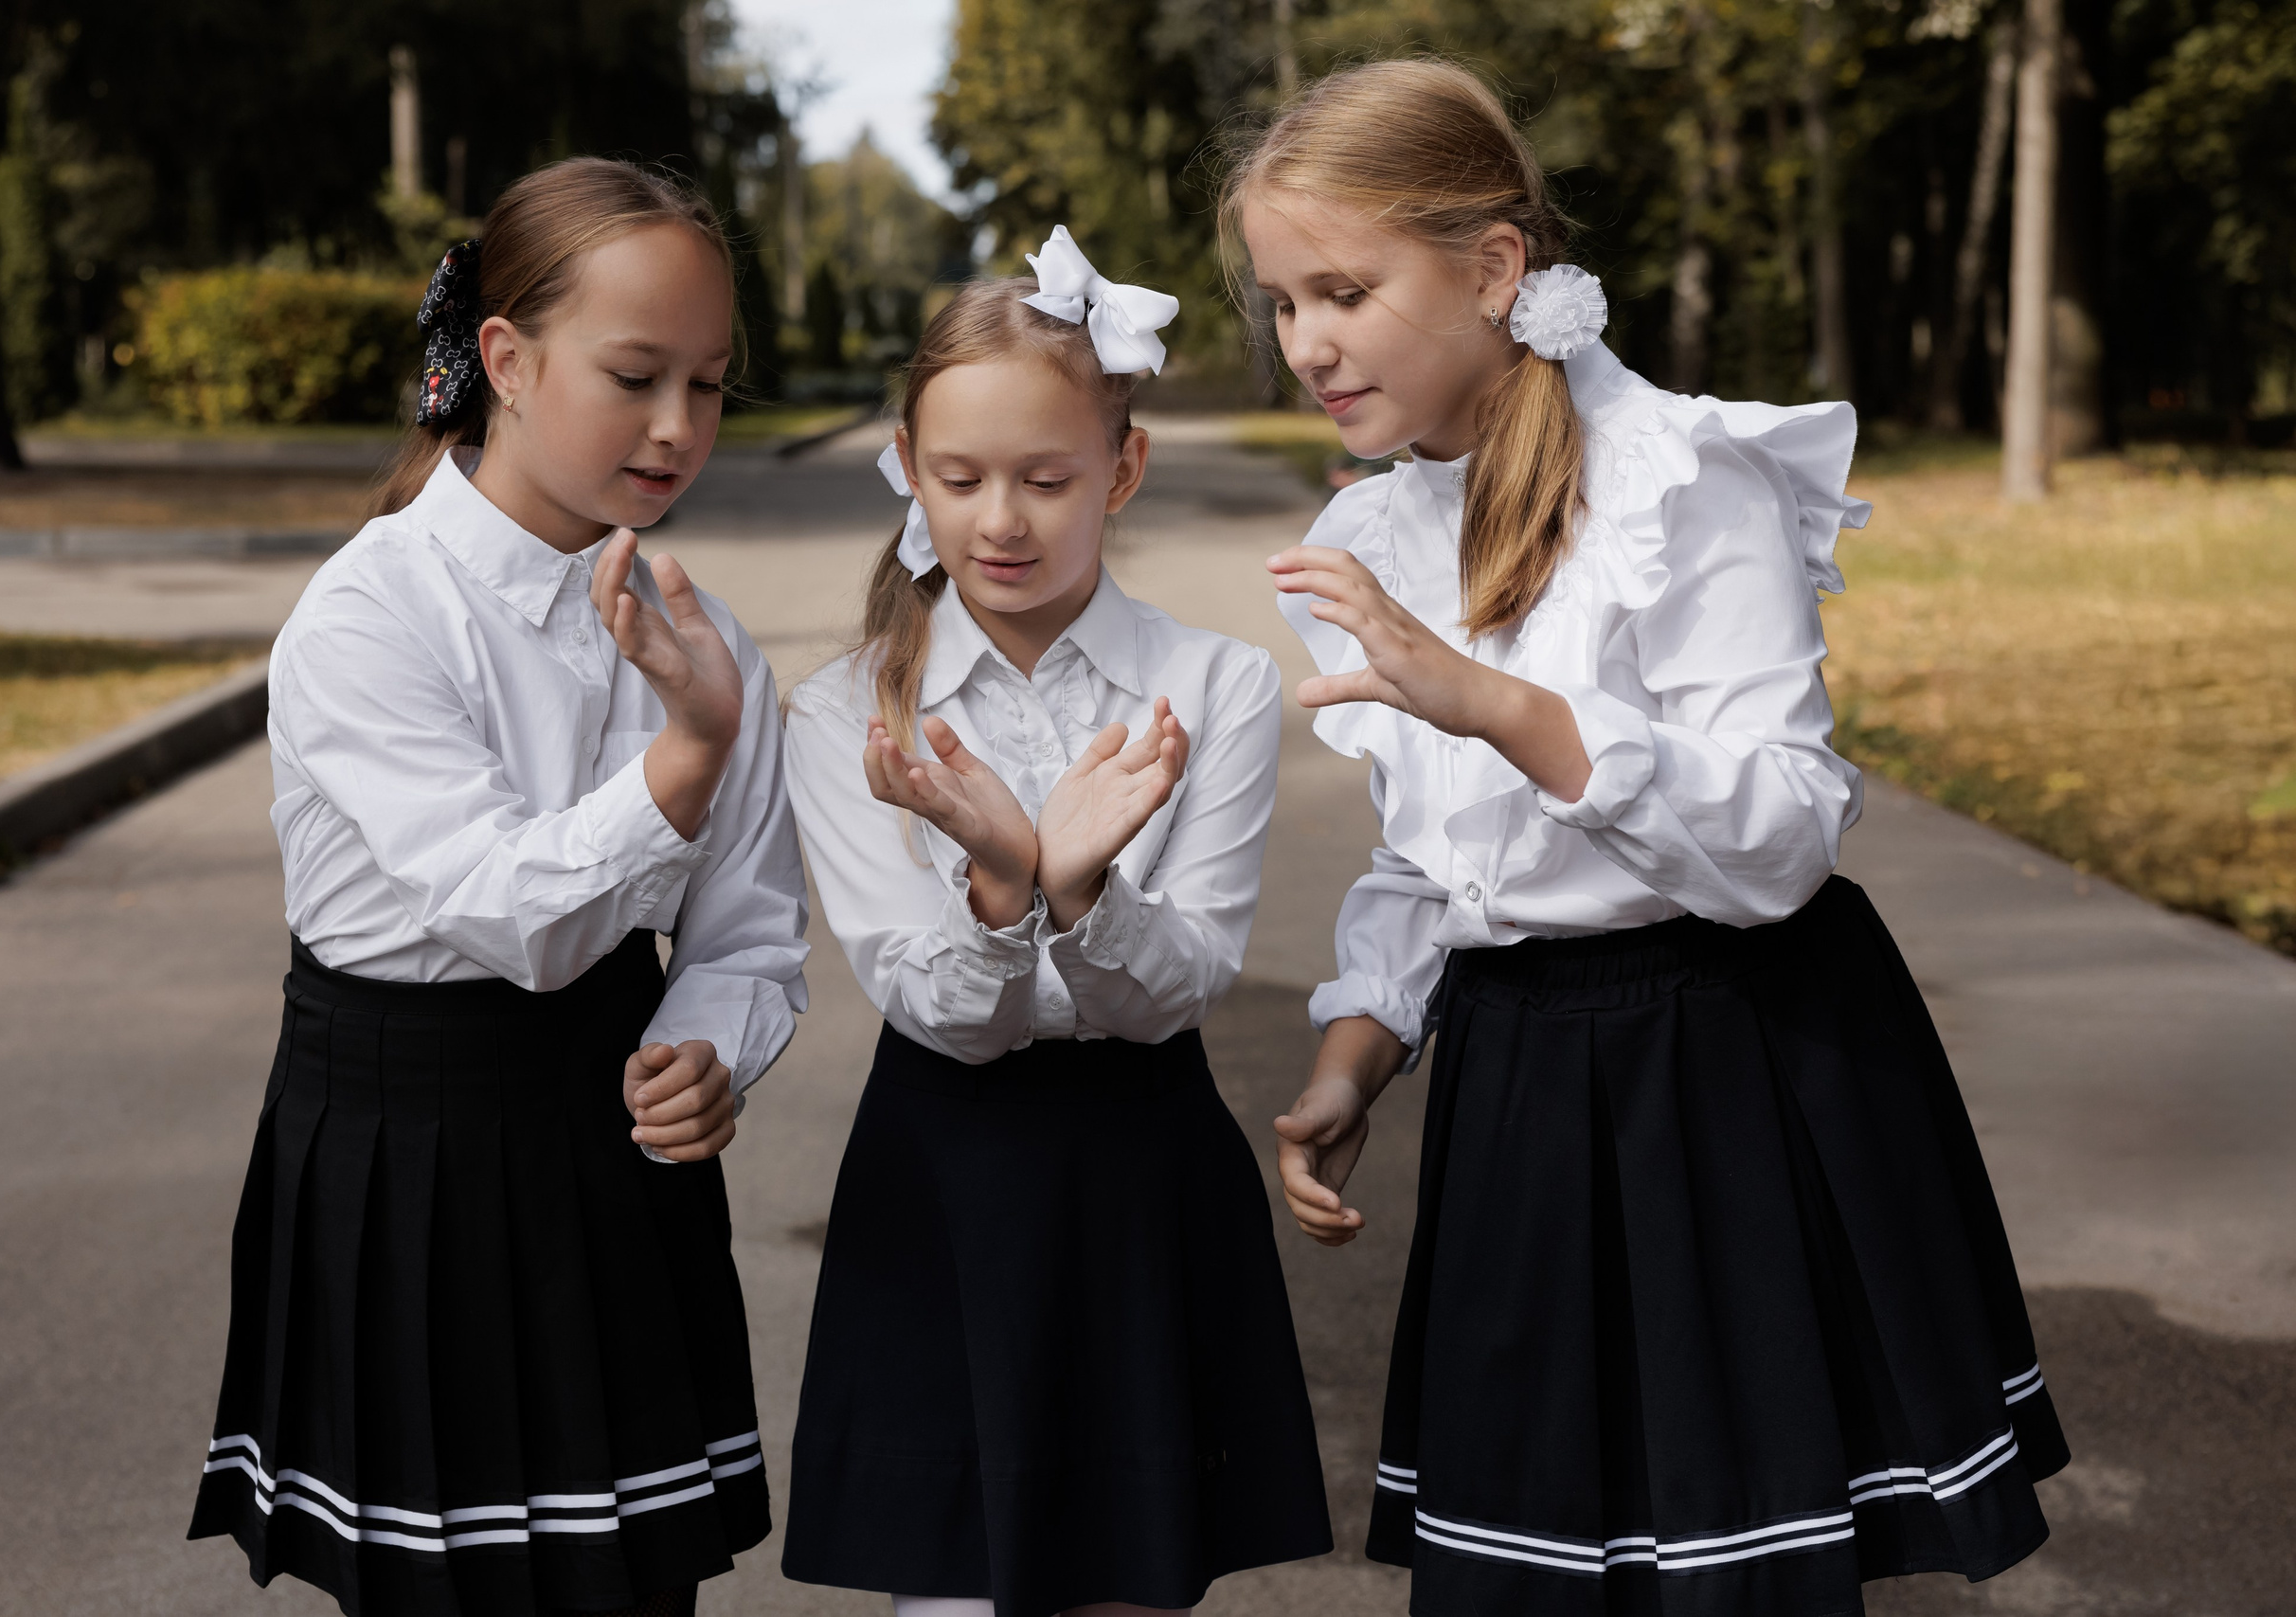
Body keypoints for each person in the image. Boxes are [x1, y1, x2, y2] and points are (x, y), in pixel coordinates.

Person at [1225, 60, 2070, 1617]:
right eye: (1281, 303)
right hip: (1519, 1097)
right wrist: (1355, 1051)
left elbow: (1786, 831)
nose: (1307, 342)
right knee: (1524, 1572)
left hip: (1725, 1077)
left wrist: (1506, 706)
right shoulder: (1376, 527)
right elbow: (1438, 863)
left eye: (1342, 288)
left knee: (1728, 1569)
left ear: (1491, 270)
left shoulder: (1682, 480)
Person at [188, 157, 809, 1617]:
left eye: (710, 386)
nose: (677, 427)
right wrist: (688, 748)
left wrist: (713, 1046)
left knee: (630, 1583)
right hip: (408, 1146)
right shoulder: (370, 611)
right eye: (636, 373)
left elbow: (751, 931)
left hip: (611, 1157)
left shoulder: (705, 639)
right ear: (508, 362)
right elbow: (516, 918)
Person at [778, 235, 1333, 1617]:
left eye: (1046, 478)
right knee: (952, 1591)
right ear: (907, 465)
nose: (1000, 522)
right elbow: (933, 1006)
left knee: (1133, 1583)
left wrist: (1080, 892)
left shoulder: (1215, 687)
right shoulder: (849, 708)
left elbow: (1177, 988)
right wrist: (1002, 884)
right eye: (960, 480)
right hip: (942, 1180)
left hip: (1141, 1177)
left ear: (1121, 472)